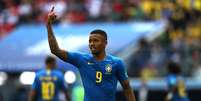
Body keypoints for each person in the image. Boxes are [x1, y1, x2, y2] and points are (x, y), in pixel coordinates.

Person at [47, 7, 136, 101]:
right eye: (90, 41)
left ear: (105, 43)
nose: (92, 43)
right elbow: (55, 50)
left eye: (96, 40)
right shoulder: (81, 59)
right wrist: (49, 25)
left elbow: (127, 88)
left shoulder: (117, 63)